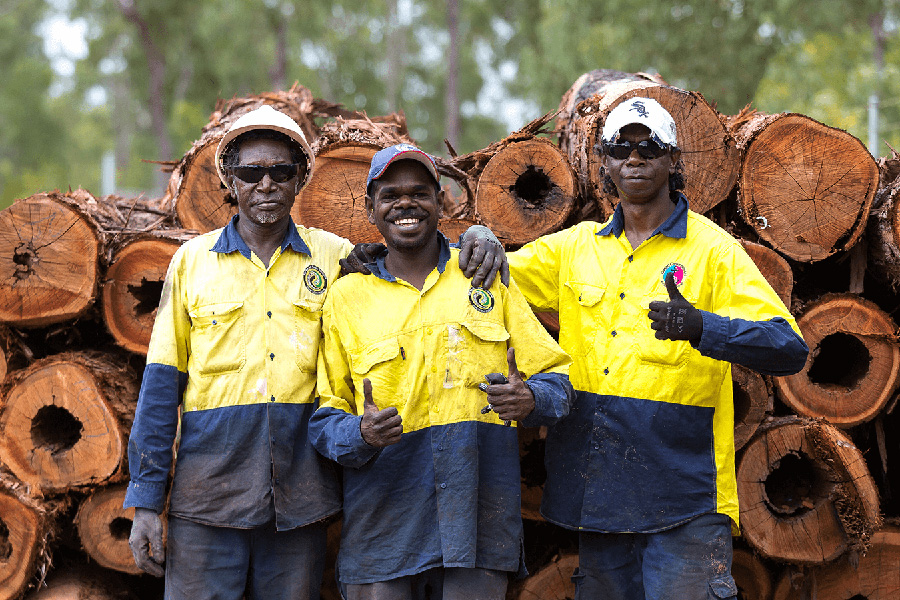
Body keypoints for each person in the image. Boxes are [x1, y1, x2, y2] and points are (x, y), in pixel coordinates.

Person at [124, 108, 505, 600]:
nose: (266, 184)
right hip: (208, 499)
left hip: (301, 503)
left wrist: (479, 236)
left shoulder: (336, 257)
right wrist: (147, 503)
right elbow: (160, 388)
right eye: (251, 173)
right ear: (229, 180)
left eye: (281, 172)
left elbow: (411, 256)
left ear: (300, 178)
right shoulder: (191, 263)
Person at [503, 97, 809, 600]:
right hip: (598, 494)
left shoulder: (712, 251)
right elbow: (490, 277)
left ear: (673, 162)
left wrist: (702, 326)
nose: (635, 159)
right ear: (604, 164)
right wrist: (419, 251)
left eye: (650, 148)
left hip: (684, 500)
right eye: (622, 148)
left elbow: (788, 346)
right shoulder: (574, 249)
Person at [307, 144, 574, 600]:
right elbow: (324, 418)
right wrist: (362, 434)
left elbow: (557, 380)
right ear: (370, 209)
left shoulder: (483, 277)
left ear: (440, 201)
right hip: (384, 530)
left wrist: (530, 399)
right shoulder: (346, 298)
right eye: (390, 195)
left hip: (476, 527)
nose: (405, 203)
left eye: (419, 192)